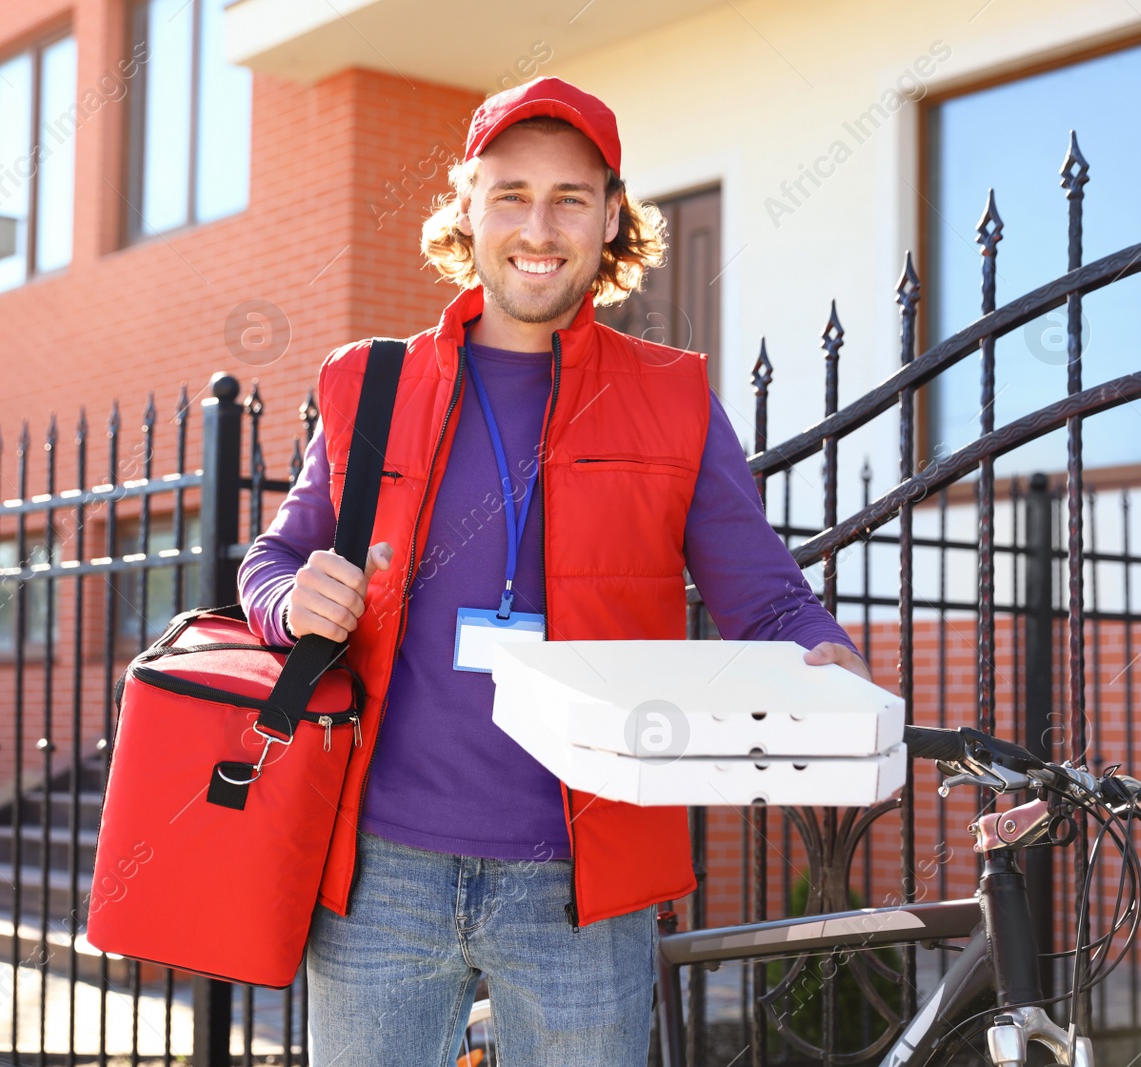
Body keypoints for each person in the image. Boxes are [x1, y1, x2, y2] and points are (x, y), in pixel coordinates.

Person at [237, 75, 870, 1067]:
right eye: (511, 194)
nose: (539, 226)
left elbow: (765, 593)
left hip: (583, 877)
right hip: (378, 871)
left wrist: (816, 649)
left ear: (610, 217)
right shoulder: (369, 382)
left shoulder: (674, 399)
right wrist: (286, 598)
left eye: (570, 197)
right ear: (468, 208)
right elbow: (274, 557)